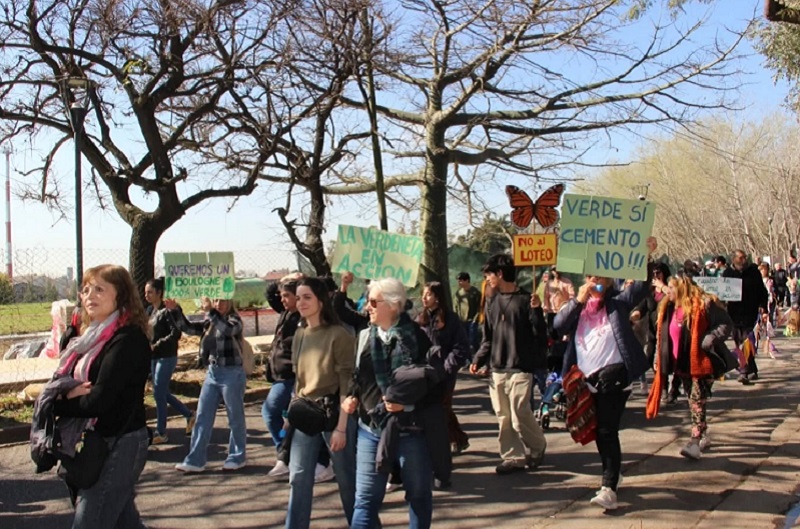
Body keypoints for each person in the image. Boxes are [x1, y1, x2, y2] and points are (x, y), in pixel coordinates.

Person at [553, 238, 656, 511]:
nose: (594, 282)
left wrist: (644, 255)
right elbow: (558, 325)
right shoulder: (577, 308)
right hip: (586, 380)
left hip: (615, 377)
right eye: (589, 277)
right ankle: (613, 472)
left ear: (609, 282)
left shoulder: (618, 304)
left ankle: (608, 487)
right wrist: (578, 300)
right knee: (599, 432)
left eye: (599, 278)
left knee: (608, 431)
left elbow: (642, 288)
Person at [53, 264, 152, 528]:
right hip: (99, 437)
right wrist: (68, 393)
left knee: (90, 521)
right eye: (85, 290)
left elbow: (99, 400)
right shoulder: (91, 338)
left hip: (121, 442)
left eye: (99, 289)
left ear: (120, 294)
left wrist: (58, 402)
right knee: (123, 521)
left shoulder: (127, 339)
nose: (89, 296)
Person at [343, 278, 441, 529]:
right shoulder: (364, 336)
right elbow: (358, 377)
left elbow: (433, 384)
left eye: (374, 301)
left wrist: (406, 405)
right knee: (365, 500)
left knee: (418, 495)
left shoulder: (418, 338)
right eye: (367, 301)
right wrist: (352, 397)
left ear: (394, 305)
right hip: (371, 428)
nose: (368, 307)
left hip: (411, 430)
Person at [284, 278, 356, 529]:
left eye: (307, 297)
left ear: (321, 301)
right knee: (298, 476)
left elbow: (347, 383)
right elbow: (298, 379)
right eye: (299, 297)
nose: (300, 302)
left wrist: (342, 428)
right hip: (306, 414)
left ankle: (361, 524)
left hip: (335, 414)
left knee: (347, 480)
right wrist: (290, 413)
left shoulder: (340, 335)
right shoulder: (300, 334)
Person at [469, 254, 548, 475]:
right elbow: (488, 338)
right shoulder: (492, 303)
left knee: (519, 411)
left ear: (500, 274)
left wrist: (537, 311)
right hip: (497, 369)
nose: (487, 279)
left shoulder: (527, 300)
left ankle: (537, 446)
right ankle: (513, 457)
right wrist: (478, 359)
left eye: (489, 275)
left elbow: (540, 335)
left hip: (521, 367)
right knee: (503, 416)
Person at [647, 275, 732, 460]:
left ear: (681, 288)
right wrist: (658, 357)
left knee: (696, 401)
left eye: (670, 287)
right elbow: (662, 338)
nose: (666, 290)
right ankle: (703, 434)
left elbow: (726, 324)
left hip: (701, 363)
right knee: (695, 402)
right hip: (681, 365)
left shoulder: (703, 305)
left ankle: (694, 442)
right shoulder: (667, 308)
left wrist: (709, 339)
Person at [167, 296, 247, 472]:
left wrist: (210, 312)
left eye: (223, 301)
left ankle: (237, 456)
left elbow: (228, 330)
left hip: (232, 373)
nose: (219, 305)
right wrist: (175, 309)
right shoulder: (209, 321)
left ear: (231, 302)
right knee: (202, 417)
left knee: (235, 417)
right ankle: (195, 459)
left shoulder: (234, 319)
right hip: (213, 373)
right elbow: (187, 328)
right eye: (216, 301)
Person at [418, 281, 471, 457]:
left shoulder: (451, 319)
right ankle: (458, 437)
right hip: (426, 372)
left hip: (445, 373)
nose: (424, 298)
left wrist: (448, 367)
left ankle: (446, 443)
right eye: (423, 295)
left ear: (438, 297)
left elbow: (460, 347)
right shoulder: (420, 319)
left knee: (442, 406)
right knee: (440, 407)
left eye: (428, 295)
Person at [144, 277, 194, 445]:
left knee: (158, 393)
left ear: (159, 293)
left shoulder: (169, 310)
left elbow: (176, 333)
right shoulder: (150, 310)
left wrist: (157, 344)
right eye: (145, 292)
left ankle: (161, 432)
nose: (147, 295)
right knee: (161, 392)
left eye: (150, 292)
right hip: (154, 356)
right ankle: (189, 415)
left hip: (166, 356)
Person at [262, 276, 302, 479]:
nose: (283, 299)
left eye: (287, 295)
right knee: (290, 420)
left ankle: (284, 454)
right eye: (282, 295)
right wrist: (282, 280)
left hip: (290, 377)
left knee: (270, 411)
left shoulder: (302, 319)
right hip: (278, 376)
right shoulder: (285, 313)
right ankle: (287, 453)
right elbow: (270, 294)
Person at [723, 251, 769, 384]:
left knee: (747, 340)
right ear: (734, 259)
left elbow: (762, 291)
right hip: (734, 314)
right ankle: (752, 368)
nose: (744, 260)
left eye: (745, 257)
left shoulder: (753, 272)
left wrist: (763, 307)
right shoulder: (728, 273)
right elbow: (721, 294)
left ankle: (743, 370)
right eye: (741, 258)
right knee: (739, 341)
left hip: (750, 313)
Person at [454, 272, 482, 353]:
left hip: (472, 320)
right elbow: (456, 307)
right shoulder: (458, 293)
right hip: (462, 321)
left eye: (461, 281)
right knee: (463, 340)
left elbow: (479, 307)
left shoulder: (475, 292)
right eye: (458, 281)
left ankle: (478, 355)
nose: (459, 283)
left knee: (473, 340)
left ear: (467, 280)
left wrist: (476, 318)